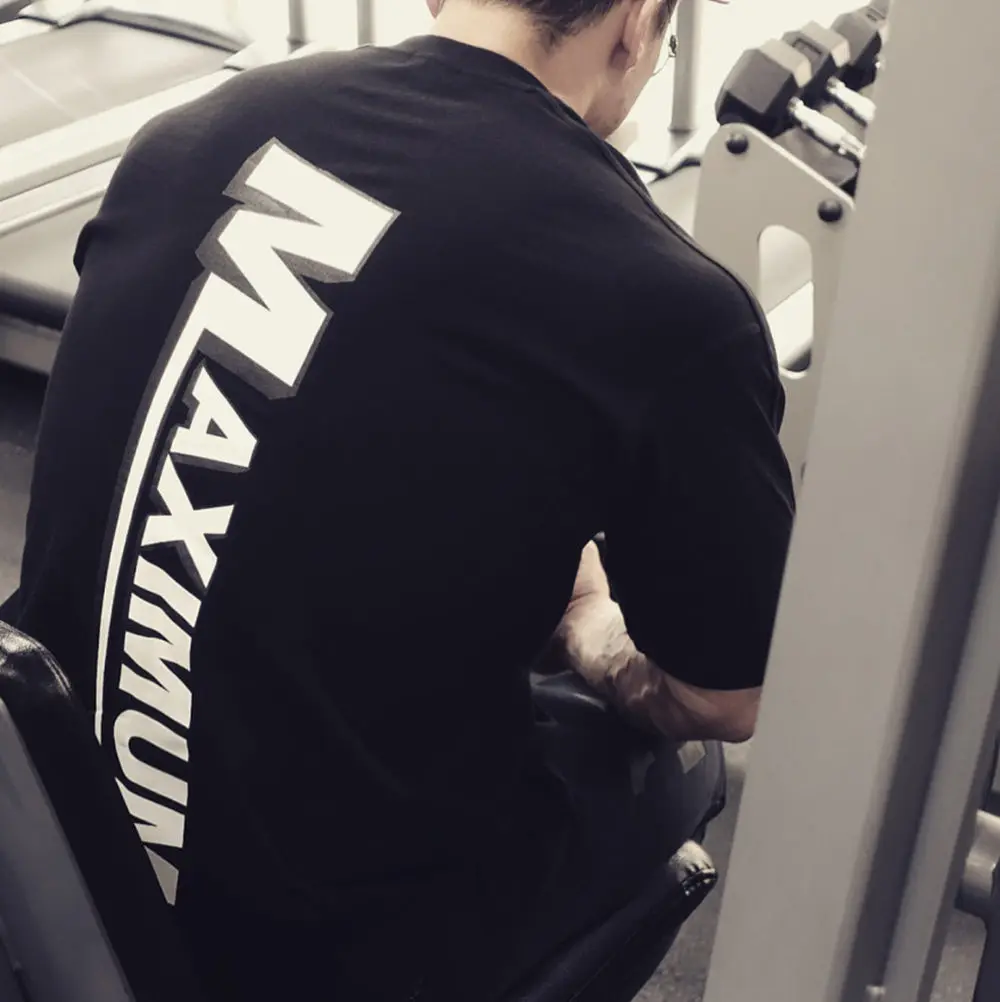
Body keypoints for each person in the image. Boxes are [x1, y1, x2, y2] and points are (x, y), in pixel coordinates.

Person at [3, 0, 794, 997]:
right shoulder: (673, 300)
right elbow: (724, 696)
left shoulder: (187, 135)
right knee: (677, 760)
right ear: (637, 24)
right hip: (296, 953)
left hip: (52, 840)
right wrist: (593, 626)